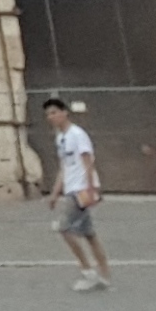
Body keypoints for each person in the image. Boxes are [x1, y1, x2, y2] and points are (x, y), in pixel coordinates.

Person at [45, 95, 112, 290]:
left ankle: (88, 271)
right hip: (71, 188)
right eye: (48, 114)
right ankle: (104, 274)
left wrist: (91, 189)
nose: (51, 117)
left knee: (64, 228)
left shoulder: (77, 134)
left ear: (64, 113)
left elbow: (87, 161)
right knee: (89, 233)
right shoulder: (61, 138)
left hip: (81, 189)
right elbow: (64, 167)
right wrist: (55, 193)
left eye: (54, 112)